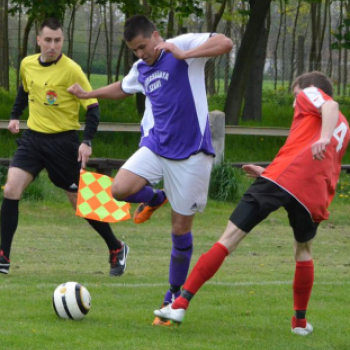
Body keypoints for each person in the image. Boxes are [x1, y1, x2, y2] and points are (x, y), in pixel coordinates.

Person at [154, 71, 350, 335]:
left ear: (310, 89)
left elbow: (329, 105)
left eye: (295, 96)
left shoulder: (312, 96)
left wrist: (322, 138)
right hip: (313, 193)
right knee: (303, 251)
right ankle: (300, 324)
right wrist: (268, 172)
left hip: (285, 178)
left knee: (229, 239)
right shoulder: (344, 126)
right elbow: (308, 154)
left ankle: (179, 304)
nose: (295, 103)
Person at [68, 15, 233, 326]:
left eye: (143, 46)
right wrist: (88, 95)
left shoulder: (180, 47)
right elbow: (124, 87)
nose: (140, 54)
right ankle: (156, 198)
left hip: (192, 153)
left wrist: (186, 54)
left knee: (180, 231)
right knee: (119, 188)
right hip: (157, 146)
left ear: (156, 35)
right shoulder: (142, 67)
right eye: (134, 50)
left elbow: (225, 42)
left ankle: (172, 297)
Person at [0, 18, 129, 277]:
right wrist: (15, 116)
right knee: (11, 188)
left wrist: (87, 141)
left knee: (79, 202)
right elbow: (24, 92)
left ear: (62, 41)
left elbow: (92, 108)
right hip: (33, 140)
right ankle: (3, 256)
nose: (52, 45)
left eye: (57, 40)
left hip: (63, 143)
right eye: (47, 40)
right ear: (38, 40)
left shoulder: (72, 69)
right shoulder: (27, 64)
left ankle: (116, 248)